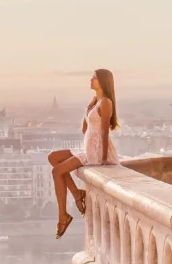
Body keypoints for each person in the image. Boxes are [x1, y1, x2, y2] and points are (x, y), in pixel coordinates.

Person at [49, 68, 120, 239]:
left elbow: (104, 133)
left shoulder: (106, 103)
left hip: (95, 151)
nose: (91, 80)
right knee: (53, 157)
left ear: (103, 81)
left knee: (57, 171)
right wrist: (88, 109)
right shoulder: (96, 101)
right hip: (88, 146)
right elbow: (84, 129)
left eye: (94, 78)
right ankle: (76, 194)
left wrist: (102, 159)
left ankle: (63, 216)